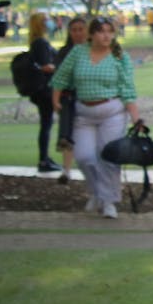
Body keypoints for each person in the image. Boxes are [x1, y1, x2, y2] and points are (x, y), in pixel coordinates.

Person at [49, 16, 142, 219]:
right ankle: (95, 192)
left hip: (111, 111)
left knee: (107, 156)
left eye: (110, 31)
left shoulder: (119, 56)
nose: (106, 35)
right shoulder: (78, 52)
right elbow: (62, 76)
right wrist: (56, 99)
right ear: (91, 34)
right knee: (84, 157)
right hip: (83, 112)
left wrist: (136, 118)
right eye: (101, 31)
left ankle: (109, 202)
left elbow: (128, 89)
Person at [25, 12, 63, 173]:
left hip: (44, 89)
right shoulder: (40, 43)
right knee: (46, 125)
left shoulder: (38, 42)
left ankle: (45, 158)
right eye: (46, 21)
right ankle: (43, 159)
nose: (49, 23)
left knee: (46, 124)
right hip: (45, 90)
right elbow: (46, 66)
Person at [53, 16, 89, 183]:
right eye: (74, 30)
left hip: (87, 97)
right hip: (69, 97)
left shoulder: (93, 51)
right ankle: (66, 170)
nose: (77, 33)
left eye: (81, 29)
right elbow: (59, 77)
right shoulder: (64, 52)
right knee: (68, 133)